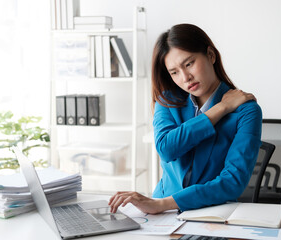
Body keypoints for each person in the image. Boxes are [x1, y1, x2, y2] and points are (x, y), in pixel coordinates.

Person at [109, 23, 262, 214]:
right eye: (174, 72)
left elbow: (233, 182)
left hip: (210, 212)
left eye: (189, 64)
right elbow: (166, 148)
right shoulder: (167, 100)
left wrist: (163, 204)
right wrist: (220, 109)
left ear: (211, 55)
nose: (185, 77)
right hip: (160, 213)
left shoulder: (247, 111)